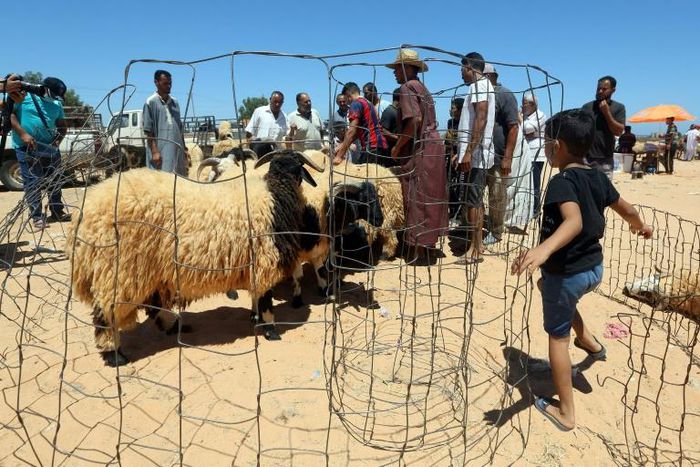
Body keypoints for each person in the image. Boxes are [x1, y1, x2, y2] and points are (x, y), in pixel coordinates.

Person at [511, 109, 652, 432]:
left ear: (556, 146)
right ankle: (589, 341)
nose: (545, 148)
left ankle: (566, 413)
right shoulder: (598, 176)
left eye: (547, 142)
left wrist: (542, 249)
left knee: (556, 339)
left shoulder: (562, 182)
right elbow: (627, 209)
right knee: (548, 288)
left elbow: (573, 222)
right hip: (593, 270)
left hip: (568, 273)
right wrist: (640, 226)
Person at [386, 48, 448, 261]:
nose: (394, 73)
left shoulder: (407, 87)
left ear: (407, 68)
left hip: (421, 147)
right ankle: (426, 246)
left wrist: (397, 146)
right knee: (431, 194)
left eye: (397, 68)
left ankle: (417, 250)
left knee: (417, 195)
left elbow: (415, 121)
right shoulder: (422, 88)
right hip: (433, 146)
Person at [11, 76, 70, 229]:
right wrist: (23, 134)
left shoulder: (56, 104)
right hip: (26, 148)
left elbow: (62, 127)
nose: (57, 99)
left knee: (55, 181)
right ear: (46, 90)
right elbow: (10, 114)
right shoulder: (24, 97)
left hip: (49, 148)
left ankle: (57, 212)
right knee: (33, 182)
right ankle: (37, 217)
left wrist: (56, 143)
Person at [456, 52, 495, 264]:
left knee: (473, 202)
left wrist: (469, 152)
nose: (461, 74)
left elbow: (480, 118)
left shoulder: (479, 86)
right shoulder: (482, 86)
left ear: (470, 67)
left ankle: (475, 249)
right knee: (475, 201)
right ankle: (476, 245)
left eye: (462, 69)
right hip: (476, 153)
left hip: (478, 155)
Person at [484, 64, 518, 245]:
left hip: (498, 156)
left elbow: (513, 126)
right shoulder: (479, 94)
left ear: (490, 76)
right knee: (475, 191)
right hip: (480, 155)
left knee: (497, 194)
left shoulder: (504, 94)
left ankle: (496, 231)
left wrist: (507, 157)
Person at [143, 70, 188, 176]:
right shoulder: (151, 102)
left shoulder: (175, 103)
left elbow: (179, 128)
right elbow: (148, 130)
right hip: (162, 151)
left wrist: (184, 149)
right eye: (165, 84)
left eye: (170, 83)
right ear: (156, 82)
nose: (168, 86)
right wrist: (155, 152)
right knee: (164, 180)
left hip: (177, 149)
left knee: (180, 178)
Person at [333, 82, 389, 166]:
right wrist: (341, 146)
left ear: (348, 95)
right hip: (381, 146)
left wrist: (339, 156)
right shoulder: (369, 103)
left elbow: (352, 131)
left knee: (365, 176)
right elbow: (356, 132)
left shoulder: (356, 104)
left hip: (371, 147)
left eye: (346, 100)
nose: (347, 103)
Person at [581, 76, 626, 180]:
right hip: (586, 159)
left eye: (604, 89)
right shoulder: (587, 107)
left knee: (604, 193)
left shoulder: (618, 108)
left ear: (613, 90)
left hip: (606, 159)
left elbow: (618, 131)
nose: (600, 91)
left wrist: (607, 113)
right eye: (598, 89)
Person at [523, 92, 547, 214]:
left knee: (535, 184)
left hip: (536, 154)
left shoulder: (541, 115)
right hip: (526, 153)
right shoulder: (525, 116)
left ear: (532, 105)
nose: (522, 107)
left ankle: (536, 210)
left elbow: (528, 129)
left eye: (525, 104)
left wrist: (525, 129)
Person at [245, 91, 287, 157]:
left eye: (280, 102)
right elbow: (249, 134)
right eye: (275, 101)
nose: (277, 104)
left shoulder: (284, 117)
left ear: (282, 103)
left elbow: (286, 136)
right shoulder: (259, 112)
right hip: (259, 154)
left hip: (276, 155)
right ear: (270, 100)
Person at [445, 97, 465, 221]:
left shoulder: (464, 124)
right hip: (449, 158)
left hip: (460, 159)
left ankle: (459, 212)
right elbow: (448, 142)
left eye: (453, 108)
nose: (450, 110)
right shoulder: (450, 122)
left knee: (460, 185)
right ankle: (452, 210)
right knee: (449, 184)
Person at [380, 87, 401, 155]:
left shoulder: (397, 111)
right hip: (389, 151)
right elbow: (382, 131)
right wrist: (399, 139)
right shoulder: (389, 111)